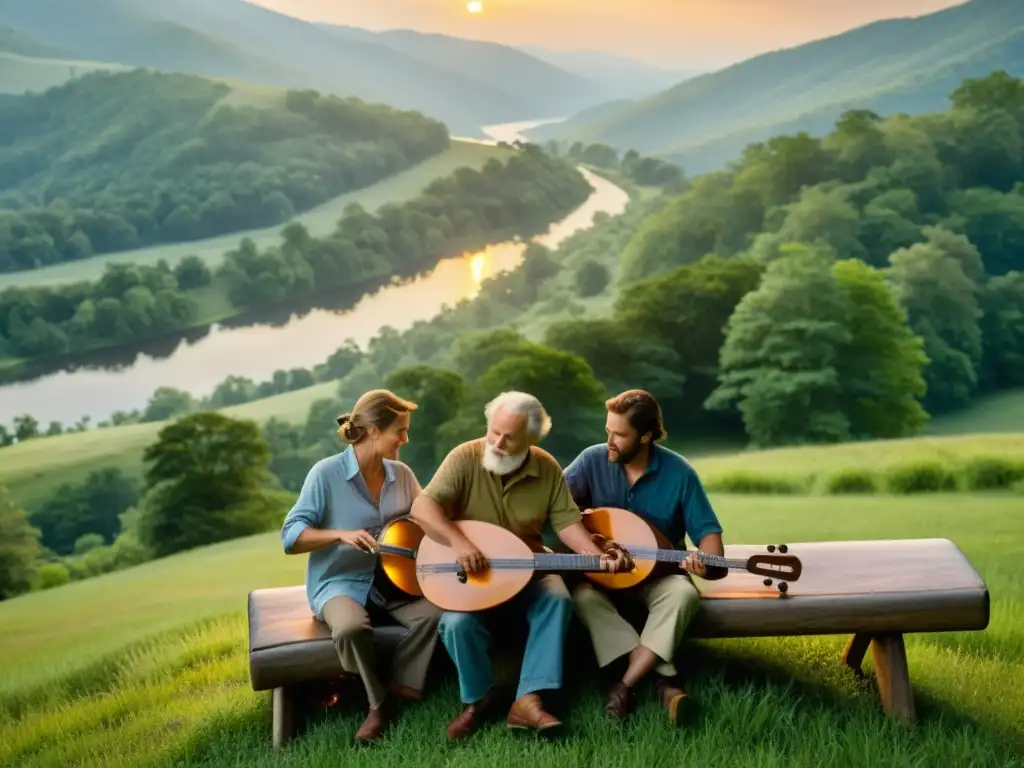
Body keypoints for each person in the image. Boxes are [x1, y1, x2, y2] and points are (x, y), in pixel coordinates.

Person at [409, 391, 632, 741]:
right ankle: (478, 701)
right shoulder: (464, 457)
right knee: (456, 623)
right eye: (493, 431)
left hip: (529, 570)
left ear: (530, 438)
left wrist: (597, 556)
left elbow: (567, 525)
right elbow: (423, 510)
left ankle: (529, 699)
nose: (496, 442)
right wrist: (460, 543)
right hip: (473, 576)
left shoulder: (546, 467)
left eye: (509, 437)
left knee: (556, 597)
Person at [281, 389, 442, 744]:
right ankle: (378, 703)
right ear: (372, 431)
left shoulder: (401, 474)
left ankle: (404, 685)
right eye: (399, 430)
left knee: (436, 613)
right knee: (351, 629)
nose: (405, 438)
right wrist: (339, 535)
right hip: (340, 581)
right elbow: (290, 538)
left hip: (396, 582)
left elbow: (425, 518)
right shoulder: (325, 474)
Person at [562, 389, 726, 724]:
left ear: (647, 435)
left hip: (658, 577)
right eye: (607, 430)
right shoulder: (591, 460)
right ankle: (665, 681)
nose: (609, 440)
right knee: (580, 598)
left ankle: (623, 685)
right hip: (601, 579)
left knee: (683, 594)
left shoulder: (680, 473)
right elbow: (553, 509)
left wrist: (704, 566)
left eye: (620, 435)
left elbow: (711, 544)